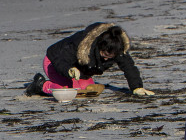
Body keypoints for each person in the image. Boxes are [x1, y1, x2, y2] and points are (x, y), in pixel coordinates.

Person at [26, 23, 154, 98]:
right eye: (104, 54)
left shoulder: (117, 47)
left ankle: (73, 83)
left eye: (110, 57)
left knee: (88, 89)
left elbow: (128, 67)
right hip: (54, 63)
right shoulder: (81, 43)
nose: (105, 59)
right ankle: (40, 85)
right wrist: (69, 71)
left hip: (81, 72)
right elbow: (59, 59)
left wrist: (137, 87)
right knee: (68, 91)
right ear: (99, 46)